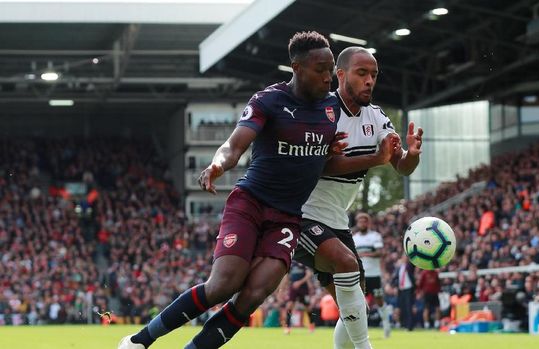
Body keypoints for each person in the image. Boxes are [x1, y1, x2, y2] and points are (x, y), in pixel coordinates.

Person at [118, 31, 394, 349]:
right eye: (320, 69)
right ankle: (140, 341)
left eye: (330, 68)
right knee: (224, 285)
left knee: (252, 296)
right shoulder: (269, 100)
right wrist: (218, 165)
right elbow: (234, 145)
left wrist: (348, 152)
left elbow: (326, 159)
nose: (327, 77)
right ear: (297, 68)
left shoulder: (330, 111)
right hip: (251, 204)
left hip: (289, 218)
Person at [293, 46, 423, 349]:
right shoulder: (320, 110)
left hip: (336, 219)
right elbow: (318, 165)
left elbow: (400, 166)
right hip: (301, 213)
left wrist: (413, 155)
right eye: (361, 73)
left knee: (357, 309)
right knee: (346, 263)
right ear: (340, 75)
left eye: (374, 75)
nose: (369, 81)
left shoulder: (377, 118)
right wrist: (375, 159)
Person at [352, 212, 390, 338]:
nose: (362, 223)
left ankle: (386, 325)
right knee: (360, 302)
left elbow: (380, 253)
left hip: (374, 274)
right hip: (361, 275)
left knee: (379, 300)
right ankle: (362, 331)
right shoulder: (355, 237)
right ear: (357, 223)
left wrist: (365, 254)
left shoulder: (375, 236)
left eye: (365, 221)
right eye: (360, 221)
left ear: (368, 223)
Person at [280, 261, 314, 334]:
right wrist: (282, 289)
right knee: (289, 306)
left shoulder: (304, 263)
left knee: (308, 308)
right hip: (293, 288)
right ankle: (287, 327)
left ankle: (311, 325)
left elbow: (308, 274)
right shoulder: (291, 264)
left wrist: (300, 282)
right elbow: (287, 277)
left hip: (303, 288)